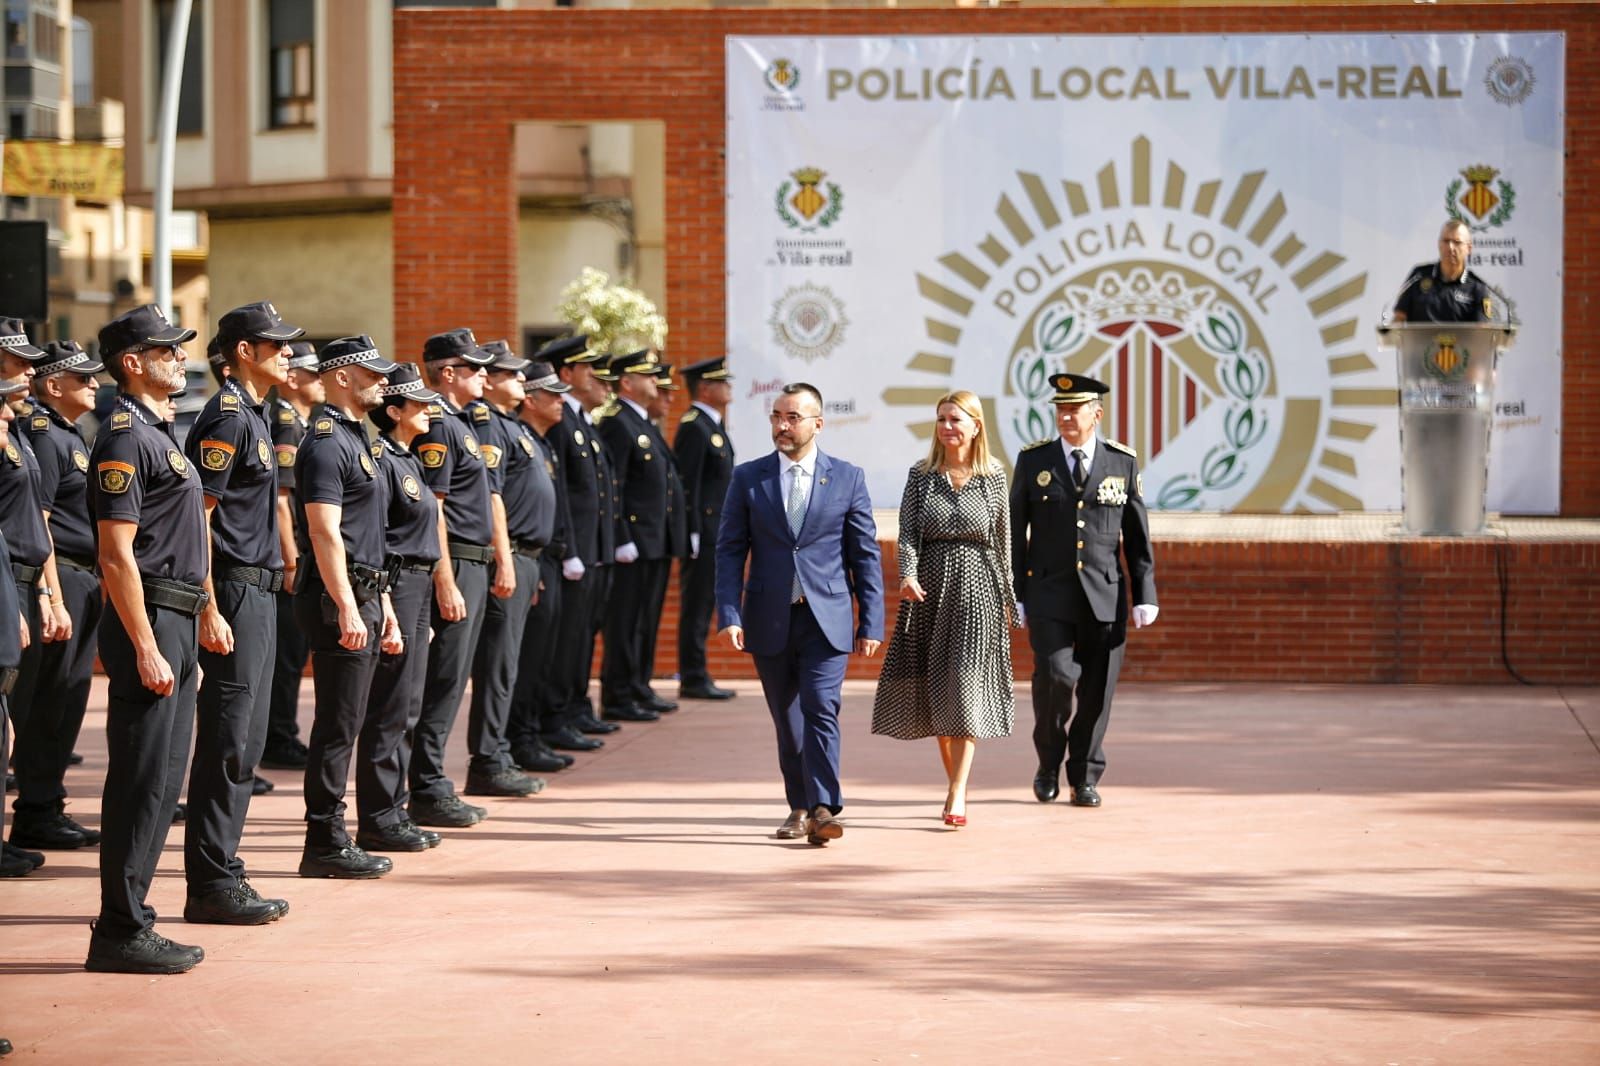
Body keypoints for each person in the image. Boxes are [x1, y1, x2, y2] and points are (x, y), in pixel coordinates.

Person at [84, 304, 208, 974]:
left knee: (163, 780)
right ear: (132, 364)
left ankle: (133, 920)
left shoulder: (161, 435)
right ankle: (120, 929)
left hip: (177, 614)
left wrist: (201, 615)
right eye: (165, 350)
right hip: (151, 617)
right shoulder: (126, 438)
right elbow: (116, 555)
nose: (179, 357)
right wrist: (147, 645)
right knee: (140, 780)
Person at [716, 382, 883, 845]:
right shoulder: (749, 478)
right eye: (776, 417)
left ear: (817, 424)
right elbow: (729, 551)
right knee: (788, 725)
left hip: (825, 618)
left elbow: (864, 555)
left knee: (820, 710)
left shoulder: (848, 478)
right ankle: (799, 805)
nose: (782, 426)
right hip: (768, 617)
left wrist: (870, 620)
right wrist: (729, 613)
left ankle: (825, 807)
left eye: (792, 417)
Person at [180, 302, 302, 924]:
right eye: (275, 344)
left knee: (247, 740)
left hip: (257, 589)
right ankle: (210, 883)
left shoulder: (254, 415)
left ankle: (223, 869)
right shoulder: (227, 419)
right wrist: (205, 603)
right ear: (243, 353)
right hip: (230, 589)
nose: (288, 353)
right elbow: (196, 518)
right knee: (229, 738)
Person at [1010, 373, 1157, 809]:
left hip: (1105, 594)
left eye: (1075, 409)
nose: (1066, 417)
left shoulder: (1121, 462)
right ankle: (1048, 762)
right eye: (1060, 409)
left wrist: (1145, 591)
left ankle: (1085, 775)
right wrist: (1016, 593)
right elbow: (1017, 534)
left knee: (1098, 689)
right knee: (1055, 678)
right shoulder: (1034, 461)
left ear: (1097, 413)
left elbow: (1137, 534)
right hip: (1049, 593)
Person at [871, 390, 1016, 827]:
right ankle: (955, 782)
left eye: (956, 419)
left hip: (978, 590)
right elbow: (909, 531)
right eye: (941, 419)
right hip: (930, 590)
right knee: (937, 689)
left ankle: (957, 790)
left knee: (966, 689)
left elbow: (1003, 541)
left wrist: (1009, 598)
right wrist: (908, 575)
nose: (947, 427)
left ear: (975, 425)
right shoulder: (922, 475)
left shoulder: (993, 476)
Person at [292, 335, 402, 878]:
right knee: (337, 724)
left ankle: (334, 837)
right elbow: (324, 532)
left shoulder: (359, 440)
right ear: (341, 377)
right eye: (372, 373)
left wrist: (384, 603)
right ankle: (324, 842)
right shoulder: (327, 442)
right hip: (340, 595)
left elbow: (369, 535)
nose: (383, 381)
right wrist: (347, 607)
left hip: (365, 589)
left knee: (352, 720)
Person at [8, 342, 102, 852]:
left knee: (67, 698)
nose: (93, 383)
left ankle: (46, 806)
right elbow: (37, 522)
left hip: (80, 578)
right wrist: (51, 594)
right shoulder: (45, 436)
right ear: (53, 385)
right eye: (82, 377)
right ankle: (36, 812)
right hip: (60, 575)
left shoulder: (70, 435)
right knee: (46, 702)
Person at [408, 329, 504, 828]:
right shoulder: (441, 427)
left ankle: (428, 781)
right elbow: (435, 511)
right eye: (475, 367)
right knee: (444, 679)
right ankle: (425, 786)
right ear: (448, 373)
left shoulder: (459, 422)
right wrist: (444, 579)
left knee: (454, 676)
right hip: (457, 561)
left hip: (473, 560)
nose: (485, 374)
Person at [355, 363, 445, 854]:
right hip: (399, 582)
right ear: (394, 411)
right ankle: (379, 816)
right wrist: (388, 601)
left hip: (420, 583)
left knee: (409, 702)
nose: (430, 410)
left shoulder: (407, 458)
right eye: (419, 404)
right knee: (390, 704)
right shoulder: (384, 460)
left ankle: (395, 808)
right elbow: (378, 540)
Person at [461, 340, 546, 797]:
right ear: (489, 381)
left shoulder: (511, 425)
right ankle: (488, 759)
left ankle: (500, 750)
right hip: (506, 555)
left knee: (509, 663)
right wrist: (506, 558)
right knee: (496, 665)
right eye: (512, 375)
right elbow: (492, 497)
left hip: (525, 556)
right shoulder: (487, 425)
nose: (520, 381)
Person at [536, 335, 616, 753]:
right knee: (565, 640)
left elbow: (597, 494)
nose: (594, 375)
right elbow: (563, 493)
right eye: (586, 368)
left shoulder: (580, 421)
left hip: (590, 550)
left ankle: (574, 706)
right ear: (566, 373)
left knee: (581, 636)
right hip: (574, 550)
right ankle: (558, 714)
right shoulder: (563, 423)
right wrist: (569, 549)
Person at [597, 350, 679, 722]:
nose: (655, 383)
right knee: (625, 621)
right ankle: (618, 694)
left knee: (644, 619)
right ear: (627, 383)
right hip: (633, 541)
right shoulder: (617, 422)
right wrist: (621, 535)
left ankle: (639, 684)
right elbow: (614, 486)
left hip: (654, 541)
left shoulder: (642, 422)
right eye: (647, 376)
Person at [508, 360, 575, 774]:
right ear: (530, 400)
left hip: (544, 557)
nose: (560, 402)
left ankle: (528, 733)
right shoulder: (520, 437)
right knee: (526, 658)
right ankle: (519, 739)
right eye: (552, 395)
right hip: (524, 556)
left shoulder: (542, 441)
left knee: (543, 655)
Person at [260, 340, 323, 771]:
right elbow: (282, 500)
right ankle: (277, 738)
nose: (320, 381)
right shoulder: (286, 422)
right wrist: (291, 558)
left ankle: (280, 734)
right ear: (294, 379)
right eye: (313, 373)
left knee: (292, 653)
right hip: (291, 557)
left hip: (297, 551)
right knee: (285, 656)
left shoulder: (302, 423)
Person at [673, 357, 736, 701]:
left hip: (717, 532)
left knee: (705, 605)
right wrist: (692, 531)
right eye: (722, 382)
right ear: (705, 388)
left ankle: (698, 672)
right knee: (696, 606)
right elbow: (688, 485)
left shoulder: (712, 425)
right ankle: (693, 676)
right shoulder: (694, 426)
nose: (729, 388)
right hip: (704, 533)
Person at [1391, 219, 1500, 323]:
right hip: (1420, 343)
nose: (1450, 247)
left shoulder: (1478, 287)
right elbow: (1399, 318)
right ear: (1439, 244)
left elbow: (1482, 332)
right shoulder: (1418, 276)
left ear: (1469, 248)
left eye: (1457, 242)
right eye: (1446, 241)